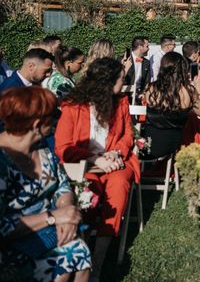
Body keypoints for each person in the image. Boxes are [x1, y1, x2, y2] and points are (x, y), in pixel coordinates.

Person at [55, 58, 140, 279]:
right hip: (84, 165)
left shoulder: (120, 102)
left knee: (119, 185)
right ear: (107, 81)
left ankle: (98, 260)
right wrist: (94, 159)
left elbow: (127, 136)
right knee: (89, 190)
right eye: (122, 78)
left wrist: (116, 152)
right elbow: (63, 148)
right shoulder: (74, 106)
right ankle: (81, 249)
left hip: (115, 162)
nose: (124, 82)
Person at [0, 87, 91, 282]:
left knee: (79, 252)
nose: (56, 123)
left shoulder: (41, 147)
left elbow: (62, 184)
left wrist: (66, 211)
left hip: (48, 232)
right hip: (11, 248)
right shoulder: (2, 161)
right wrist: (52, 217)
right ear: (37, 124)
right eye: (52, 119)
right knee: (64, 262)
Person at [142, 52, 200, 158]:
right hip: (171, 144)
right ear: (183, 70)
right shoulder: (188, 90)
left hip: (148, 143)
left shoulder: (150, 88)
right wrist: (199, 88)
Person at [123, 36, 151, 105]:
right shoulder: (124, 60)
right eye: (147, 46)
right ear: (140, 47)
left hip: (140, 98)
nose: (149, 49)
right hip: (125, 98)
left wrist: (143, 93)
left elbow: (147, 81)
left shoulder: (146, 63)